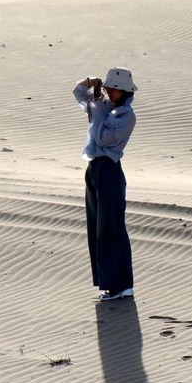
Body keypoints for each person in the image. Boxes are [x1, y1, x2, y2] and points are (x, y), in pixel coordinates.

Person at [73, 67, 138, 301]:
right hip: (94, 170)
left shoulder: (126, 116)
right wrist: (88, 82)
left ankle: (121, 286)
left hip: (110, 171)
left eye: (115, 89)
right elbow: (79, 93)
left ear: (125, 92)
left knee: (111, 229)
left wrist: (98, 108)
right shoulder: (106, 108)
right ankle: (108, 284)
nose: (110, 92)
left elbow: (103, 138)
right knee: (97, 229)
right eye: (109, 87)